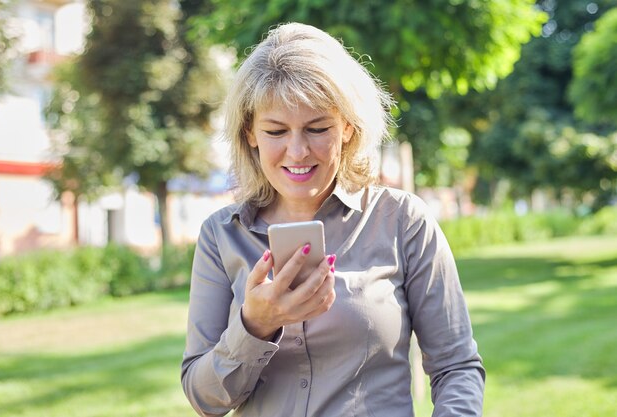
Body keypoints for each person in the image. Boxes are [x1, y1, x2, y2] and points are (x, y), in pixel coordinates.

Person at [181, 22, 485, 417]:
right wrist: (254, 326)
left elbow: (456, 367)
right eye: (276, 131)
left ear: (347, 127)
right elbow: (205, 399)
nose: (297, 151)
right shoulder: (221, 236)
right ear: (249, 133)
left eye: (317, 128)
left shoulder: (402, 221)